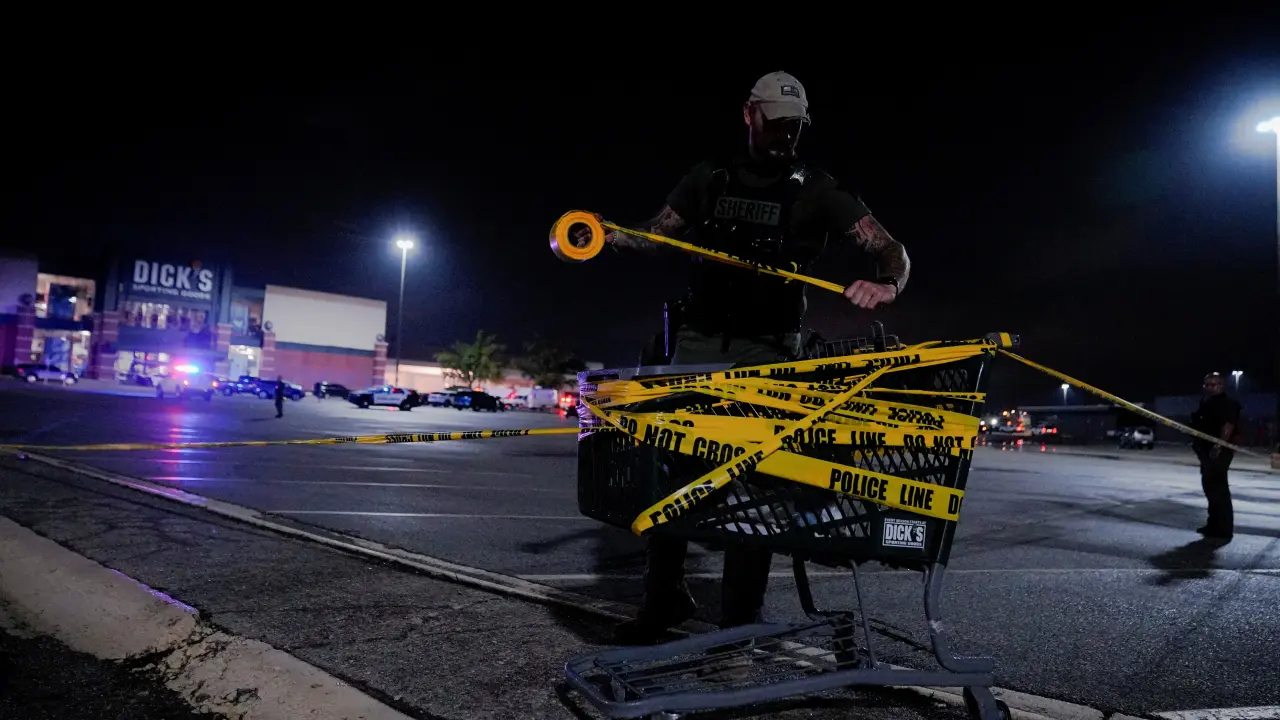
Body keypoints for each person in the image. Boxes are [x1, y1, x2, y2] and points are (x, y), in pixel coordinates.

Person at [582, 71, 911, 645]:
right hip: (698, 345)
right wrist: (603, 235)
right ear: (749, 114)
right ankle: (663, 599)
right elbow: (657, 233)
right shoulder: (709, 177)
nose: (787, 136)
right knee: (672, 471)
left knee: (755, 484)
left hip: (770, 354)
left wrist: (886, 284)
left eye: (796, 126)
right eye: (777, 123)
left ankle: (739, 618)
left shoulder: (818, 189)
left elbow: (891, 249)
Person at [1189, 372, 1241, 540]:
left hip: (1218, 451)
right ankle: (1213, 524)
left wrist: (1219, 446)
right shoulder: (1206, 402)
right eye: (1207, 385)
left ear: (1222, 386)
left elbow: (1228, 425)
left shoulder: (1227, 403)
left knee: (1219, 489)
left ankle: (1224, 529)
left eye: (1214, 384)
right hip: (1205, 451)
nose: (1210, 388)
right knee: (1210, 488)